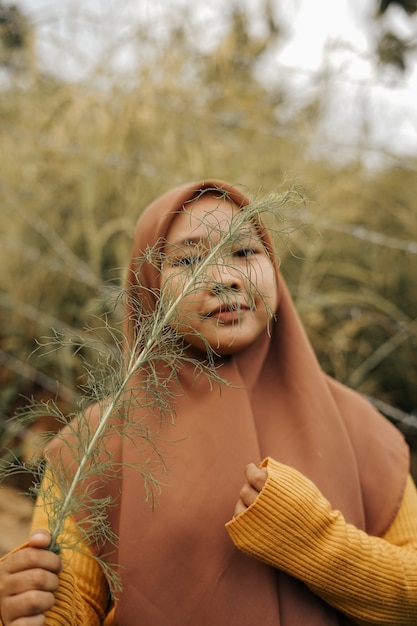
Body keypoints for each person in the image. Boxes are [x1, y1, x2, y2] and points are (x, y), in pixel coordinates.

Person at [1, 179, 417, 626]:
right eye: (188, 260)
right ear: (149, 287)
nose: (225, 278)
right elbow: (72, 607)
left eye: (245, 252)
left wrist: (316, 542)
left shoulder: (360, 427)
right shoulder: (97, 443)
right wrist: (27, 609)